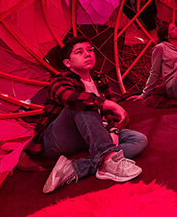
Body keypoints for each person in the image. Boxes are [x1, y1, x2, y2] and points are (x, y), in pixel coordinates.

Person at [33, 37, 148, 194]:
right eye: (79, 52)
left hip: (89, 133)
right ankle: (108, 160)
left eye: (90, 50)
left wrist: (114, 130)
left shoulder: (100, 78)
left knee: (138, 140)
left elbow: (110, 116)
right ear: (68, 63)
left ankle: (76, 168)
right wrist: (110, 104)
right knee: (83, 104)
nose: (87, 54)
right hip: (56, 140)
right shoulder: (60, 79)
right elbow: (70, 98)